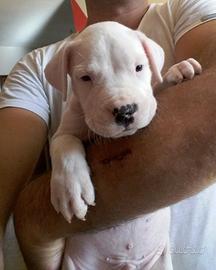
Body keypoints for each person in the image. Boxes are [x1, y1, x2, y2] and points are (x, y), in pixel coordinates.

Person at [1, 0, 216, 269]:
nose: (121, 105)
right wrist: (66, 153)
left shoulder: (191, 8)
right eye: (87, 78)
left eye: (139, 68)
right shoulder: (38, 65)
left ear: (151, 61)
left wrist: (168, 82)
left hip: (166, 256)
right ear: (66, 81)